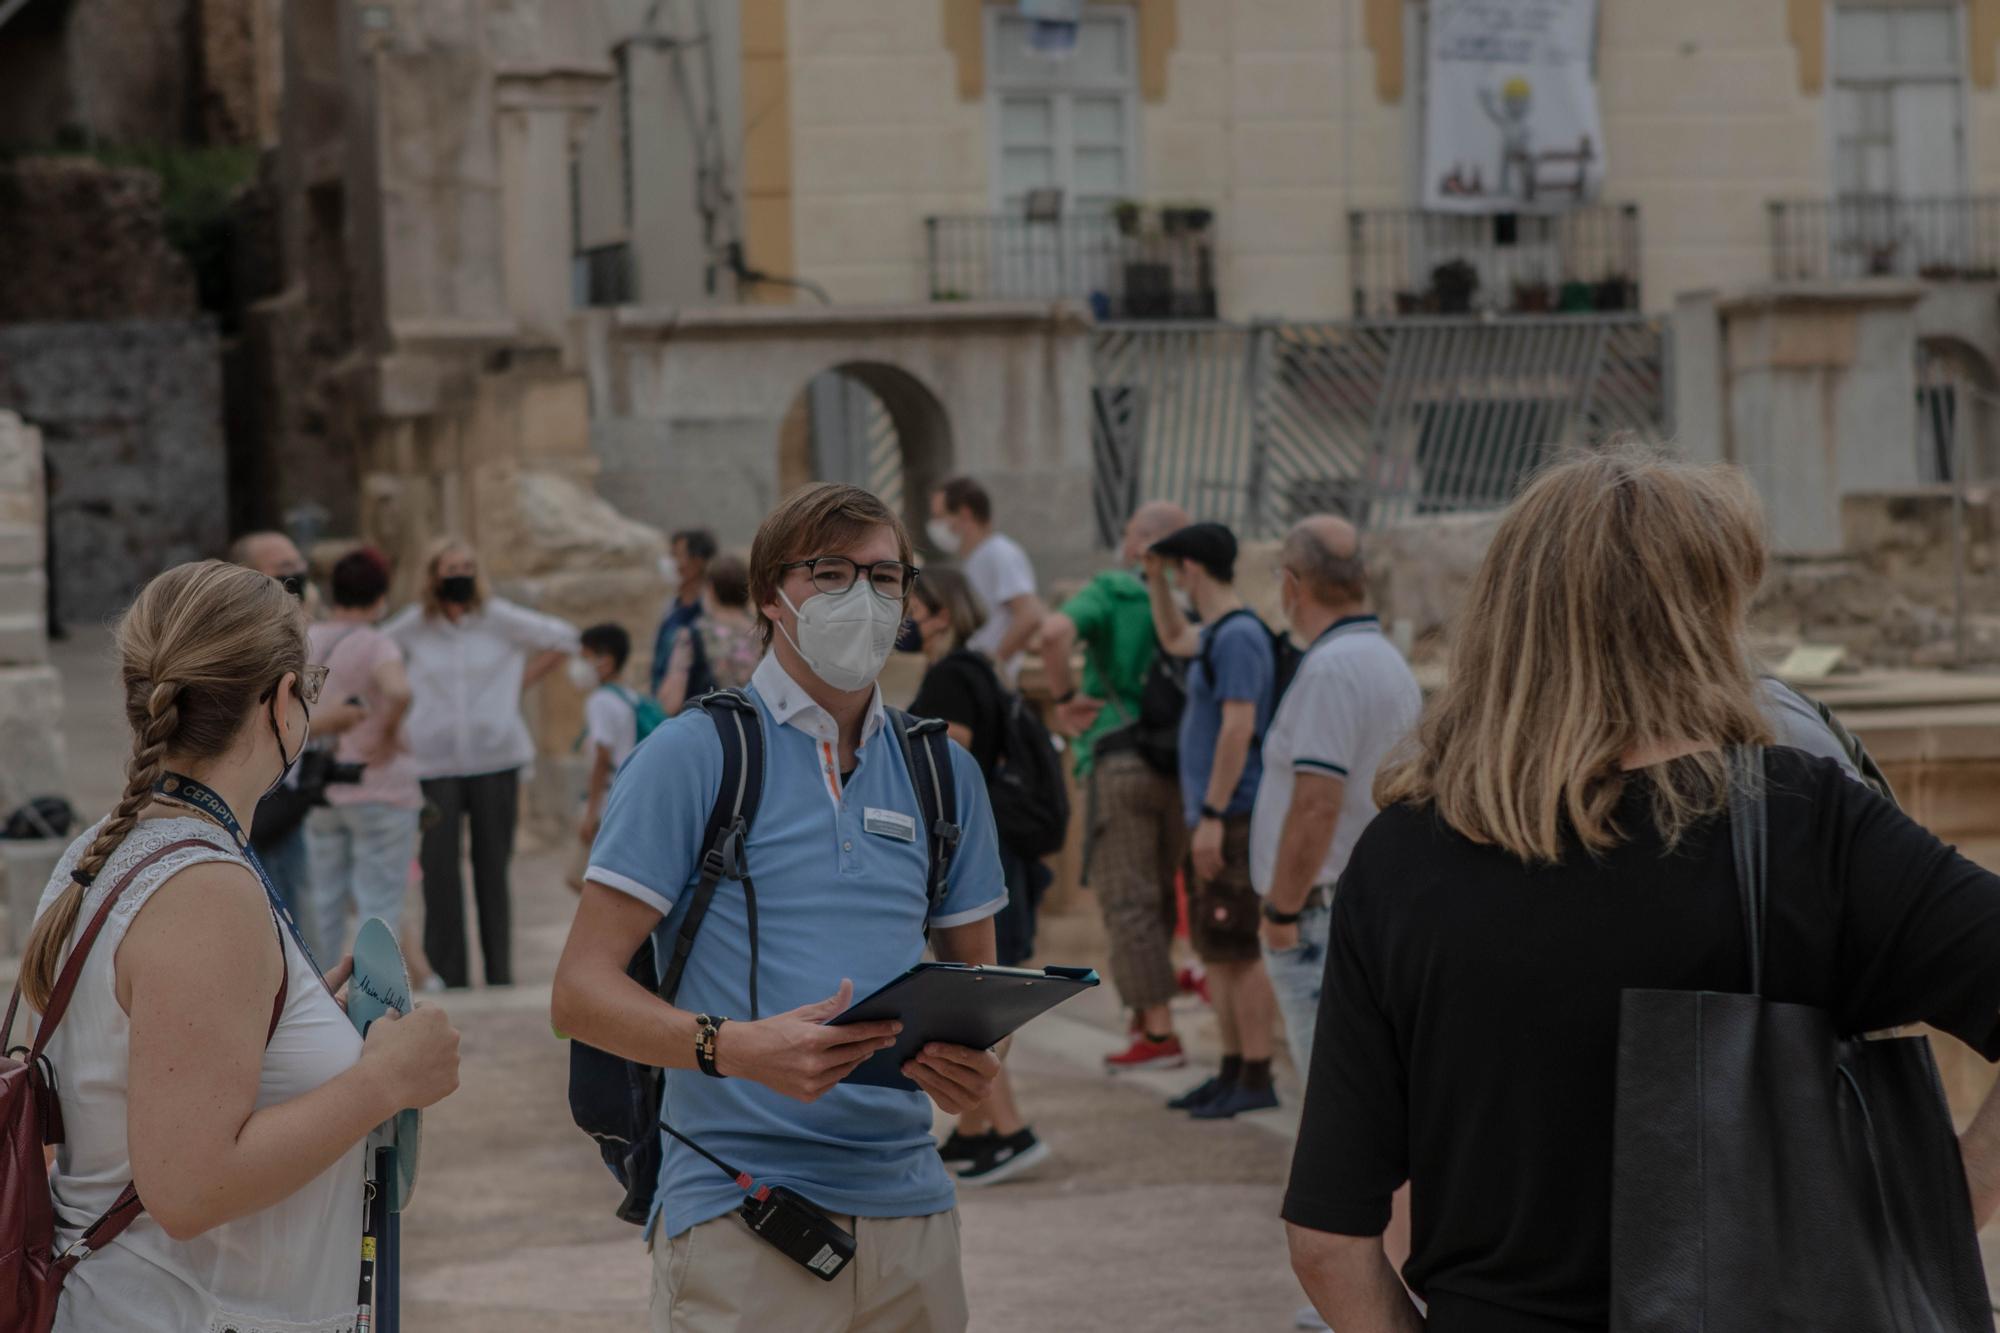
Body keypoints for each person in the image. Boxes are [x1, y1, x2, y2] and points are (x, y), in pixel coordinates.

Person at [1283, 449, 2000, 1333]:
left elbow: (1328, 1237)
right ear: (1701, 618)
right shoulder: (1799, 825)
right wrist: (1945, 1198)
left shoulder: (1400, 859)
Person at [553, 483, 1006, 1332]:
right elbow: (578, 991)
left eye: (885, 576)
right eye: (830, 573)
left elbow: (977, 988)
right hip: (738, 1213)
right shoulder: (690, 756)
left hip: (915, 1217)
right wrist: (736, 1048)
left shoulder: (945, 772)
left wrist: (978, 1061)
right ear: (771, 594)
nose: (862, 598)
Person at [20, 560, 460, 1331]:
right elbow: (190, 1187)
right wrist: (386, 1081)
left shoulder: (104, 847)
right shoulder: (205, 889)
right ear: (285, 700)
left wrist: (293, 1024)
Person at [1251, 516, 1420, 1074]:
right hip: (1370, 903)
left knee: (1328, 1095)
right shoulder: (1386, 659)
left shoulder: (1330, 669)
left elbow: (1316, 803)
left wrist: (1281, 910)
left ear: (1293, 585)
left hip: (1318, 915)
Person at [1037, 500, 1196, 1071]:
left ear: (1139, 544)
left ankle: (1157, 1034)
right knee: (1158, 896)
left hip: (1118, 758)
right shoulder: (1194, 597)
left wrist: (1062, 701)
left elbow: (1053, 633)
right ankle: (1149, 1017)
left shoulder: (1113, 591)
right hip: (1180, 765)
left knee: (1128, 903)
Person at [906, 565, 1051, 1185]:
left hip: (973, 862)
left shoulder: (948, 676)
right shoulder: (981, 668)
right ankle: (975, 1134)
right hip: (1002, 855)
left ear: (940, 614)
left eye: (910, 604)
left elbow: (947, 768)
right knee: (974, 1003)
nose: (901, 617)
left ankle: (1009, 1133)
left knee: (973, 1005)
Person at [385, 539, 578, 988]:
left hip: (496, 759)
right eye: (451, 566)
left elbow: (565, 637)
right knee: (439, 872)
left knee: (493, 869)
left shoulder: (499, 619)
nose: (461, 573)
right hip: (434, 764)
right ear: (433, 575)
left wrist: (516, 685)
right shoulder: (415, 626)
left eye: (468, 565)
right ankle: (448, 977)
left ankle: (499, 975)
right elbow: (375, 652)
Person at [1146, 522, 1281, 1120]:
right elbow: (1175, 637)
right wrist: (1153, 582)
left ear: (1192, 569)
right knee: (1218, 946)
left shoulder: (1240, 636)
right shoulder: (1221, 633)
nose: (1174, 578)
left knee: (1240, 946)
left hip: (1233, 811)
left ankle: (1255, 1072)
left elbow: (1238, 727)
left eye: (1175, 569)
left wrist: (1212, 815)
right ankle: (1231, 1068)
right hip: (1219, 812)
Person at [229, 530, 362, 956]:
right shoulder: (240, 643)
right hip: (258, 804)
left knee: (303, 921)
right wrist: (329, 722)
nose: (296, 577)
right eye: (283, 570)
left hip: (291, 803)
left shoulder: (298, 632)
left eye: (297, 566)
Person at [305, 546, 424, 962]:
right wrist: (386, 734)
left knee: (323, 903)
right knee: (379, 906)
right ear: (380, 596)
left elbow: (305, 704)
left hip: (322, 785)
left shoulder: (311, 641)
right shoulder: (377, 644)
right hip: (379, 785)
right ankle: (373, 1003)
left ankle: (320, 995)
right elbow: (399, 691)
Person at [927, 476, 1045, 683]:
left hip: (989, 681)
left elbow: (1030, 614)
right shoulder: (977, 558)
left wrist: (992, 664)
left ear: (964, 514)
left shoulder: (1000, 553)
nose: (935, 526)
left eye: (940, 517)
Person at [570, 622, 642, 892]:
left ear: (606, 661)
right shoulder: (629, 696)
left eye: (585, 657)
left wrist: (590, 813)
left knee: (592, 881)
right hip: (627, 794)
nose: (579, 665)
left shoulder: (599, 701)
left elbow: (602, 756)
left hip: (608, 799)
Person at [657, 552, 761, 715]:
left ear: (710, 589)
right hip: (760, 730)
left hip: (711, 731)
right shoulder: (766, 633)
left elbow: (670, 702)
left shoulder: (693, 634)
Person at [649, 528, 718, 699]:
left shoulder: (712, 610)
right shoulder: (671, 608)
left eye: (676, 556)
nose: (670, 563)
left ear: (697, 562)